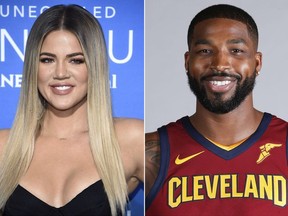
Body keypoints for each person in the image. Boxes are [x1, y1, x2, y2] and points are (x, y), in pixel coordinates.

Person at [0, 4, 143, 216]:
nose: (60, 73)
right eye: (47, 60)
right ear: (33, 67)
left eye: (76, 60)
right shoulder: (4, 148)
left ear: (94, 65)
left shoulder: (130, 140)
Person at [145, 4, 288, 216]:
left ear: (257, 63)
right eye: (205, 51)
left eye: (236, 51)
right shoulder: (148, 154)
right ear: (187, 61)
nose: (220, 64)